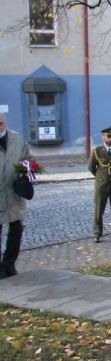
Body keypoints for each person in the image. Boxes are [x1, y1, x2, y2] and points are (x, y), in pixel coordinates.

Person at [0, 113, 32, 279]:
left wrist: (26, 172)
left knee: (16, 230)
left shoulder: (18, 139)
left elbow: (29, 160)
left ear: (5, 120)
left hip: (14, 194)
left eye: (1, 120)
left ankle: (9, 264)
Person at [88, 126, 111, 244]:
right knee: (99, 210)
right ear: (103, 137)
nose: (110, 139)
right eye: (108, 136)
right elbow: (91, 167)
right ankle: (97, 233)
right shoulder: (97, 151)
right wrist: (101, 176)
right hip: (101, 184)